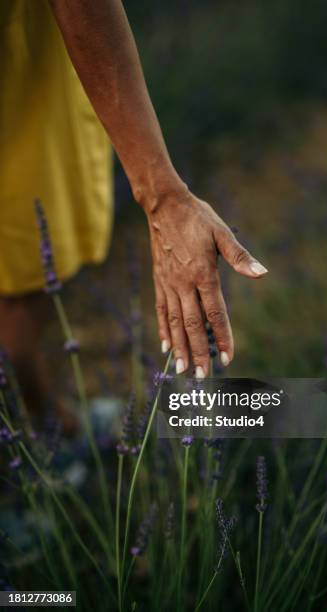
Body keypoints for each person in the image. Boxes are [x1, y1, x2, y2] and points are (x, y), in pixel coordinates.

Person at [0, 0, 267, 421]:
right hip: (18, 93)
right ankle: (46, 431)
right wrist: (162, 196)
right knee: (21, 281)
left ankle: (43, 420)